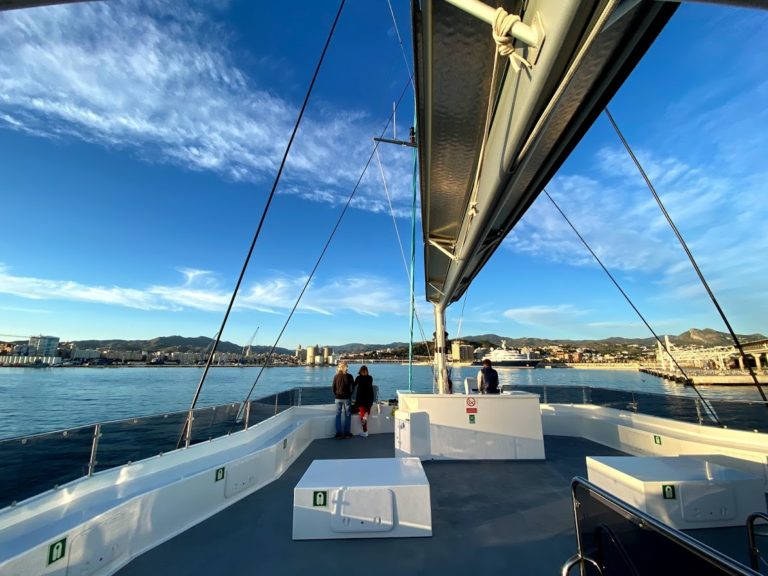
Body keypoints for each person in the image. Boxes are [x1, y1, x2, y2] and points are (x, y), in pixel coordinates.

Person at [332, 362, 354, 438]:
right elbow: (352, 387)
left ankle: (338, 434)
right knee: (348, 415)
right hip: (347, 398)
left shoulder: (336, 376)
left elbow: (333, 388)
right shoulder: (350, 376)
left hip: (338, 397)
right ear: (346, 367)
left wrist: (336, 394)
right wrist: (350, 394)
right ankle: (347, 433)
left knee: (338, 415)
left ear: (339, 367)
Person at [354, 366, 374, 437]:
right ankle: (366, 414)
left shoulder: (358, 378)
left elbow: (354, 384)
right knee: (367, 411)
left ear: (360, 371)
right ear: (367, 371)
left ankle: (365, 431)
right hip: (369, 398)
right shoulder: (370, 378)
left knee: (362, 416)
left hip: (361, 399)